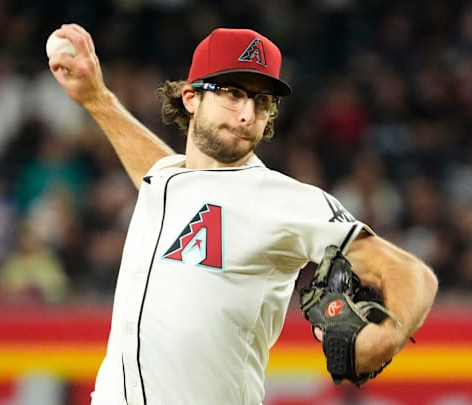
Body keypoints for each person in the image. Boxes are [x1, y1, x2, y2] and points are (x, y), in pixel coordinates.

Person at [48, 23, 438, 405]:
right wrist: (96, 98)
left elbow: (413, 275)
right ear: (190, 97)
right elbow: (157, 169)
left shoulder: (275, 198)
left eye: (262, 101)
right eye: (232, 93)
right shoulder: (168, 178)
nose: (248, 113)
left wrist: (386, 336)